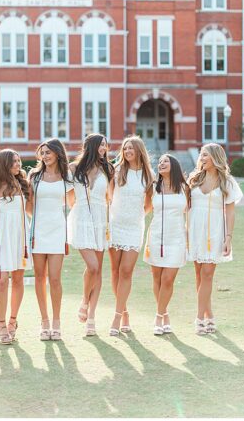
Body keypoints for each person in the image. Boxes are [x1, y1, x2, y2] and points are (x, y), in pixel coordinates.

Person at [187, 143, 243, 334]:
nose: (202, 158)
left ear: (216, 158)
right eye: (201, 155)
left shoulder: (227, 182)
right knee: (199, 275)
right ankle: (208, 315)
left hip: (215, 232)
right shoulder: (194, 178)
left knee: (207, 274)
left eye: (206, 155)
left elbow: (230, 212)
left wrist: (228, 237)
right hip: (195, 231)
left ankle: (198, 318)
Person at [27, 139, 74, 341]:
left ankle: (56, 321)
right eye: (42, 153)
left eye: (48, 152)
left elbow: (73, 204)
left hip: (57, 231)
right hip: (38, 231)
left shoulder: (66, 178)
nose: (44, 156)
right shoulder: (34, 176)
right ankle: (44, 321)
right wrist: (37, 222)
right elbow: (29, 205)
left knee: (55, 278)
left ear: (57, 154)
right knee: (39, 277)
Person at [106, 136, 154, 336]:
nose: (127, 151)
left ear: (139, 150)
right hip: (115, 224)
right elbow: (109, 195)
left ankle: (117, 316)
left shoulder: (148, 175)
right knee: (116, 271)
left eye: (131, 148)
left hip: (134, 227)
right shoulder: (117, 171)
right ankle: (124, 311)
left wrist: (139, 215)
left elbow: (149, 203)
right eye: (125, 148)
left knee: (126, 271)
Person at [67, 133, 113, 336]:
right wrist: (80, 210)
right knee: (92, 266)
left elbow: (110, 197)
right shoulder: (73, 168)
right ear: (91, 146)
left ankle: (91, 317)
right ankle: (85, 300)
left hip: (100, 219)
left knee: (98, 270)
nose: (104, 148)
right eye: (101, 145)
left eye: (106, 145)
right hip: (81, 218)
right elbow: (69, 198)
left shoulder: (108, 169)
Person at [0, 149, 31, 345]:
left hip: (20, 234)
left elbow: (30, 211)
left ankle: (13, 320)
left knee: (19, 279)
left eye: (19, 161)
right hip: (2, 237)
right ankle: (1, 323)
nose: (17, 165)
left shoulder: (23, 184)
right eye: (13, 162)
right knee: (2, 281)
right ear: (4, 164)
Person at [144, 154, 190, 335]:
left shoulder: (185, 188)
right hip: (156, 237)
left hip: (177, 237)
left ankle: (158, 315)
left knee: (168, 279)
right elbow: (145, 209)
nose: (161, 163)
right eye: (160, 161)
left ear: (174, 166)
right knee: (157, 278)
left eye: (166, 161)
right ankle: (165, 315)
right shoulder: (153, 187)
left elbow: (190, 214)